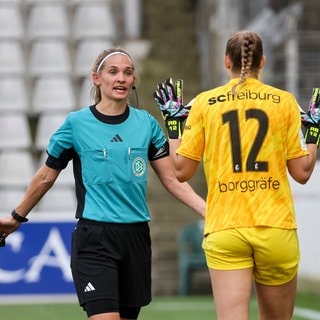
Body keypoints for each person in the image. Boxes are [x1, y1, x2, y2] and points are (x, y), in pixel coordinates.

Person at [0, 48, 205, 320]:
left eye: (127, 72)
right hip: (95, 238)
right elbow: (46, 176)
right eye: (113, 72)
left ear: (133, 81)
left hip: (136, 238)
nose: (121, 78)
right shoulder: (76, 124)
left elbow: (173, 178)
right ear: (96, 79)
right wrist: (17, 217)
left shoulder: (146, 124)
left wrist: (210, 212)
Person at [153, 30, 319, 320]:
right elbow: (302, 173)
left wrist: (174, 126)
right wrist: (314, 132)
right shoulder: (284, 102)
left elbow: (181, 171)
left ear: (225, 61)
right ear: (263, 61)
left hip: (226, 226)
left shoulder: (204, 103)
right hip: (276, 226)